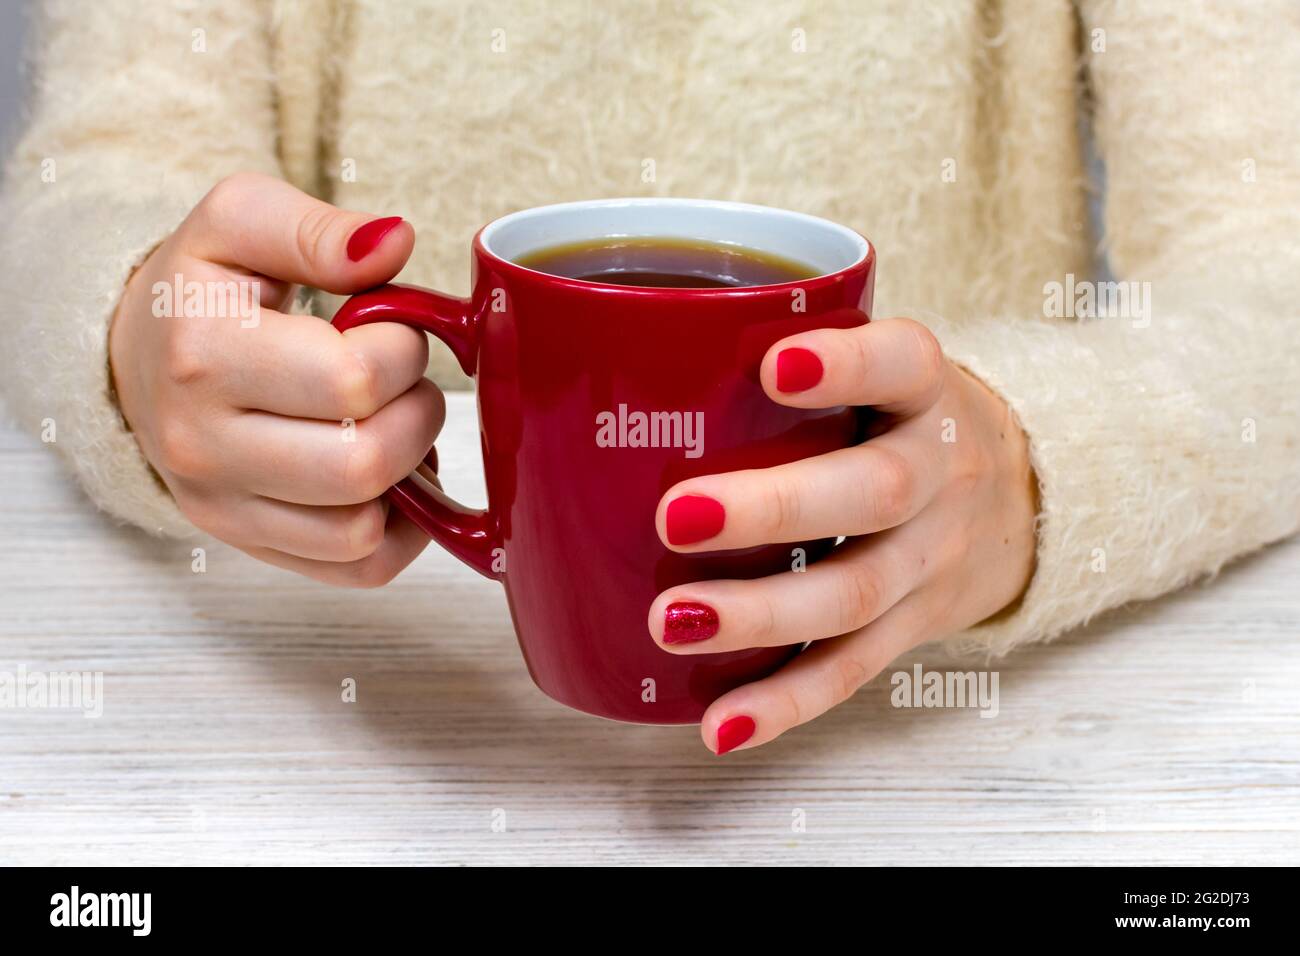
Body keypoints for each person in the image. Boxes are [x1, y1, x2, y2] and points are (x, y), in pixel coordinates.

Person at [1, 1, 1295, 754]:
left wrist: (1026, 465)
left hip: (950, 763)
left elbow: (1275, 270)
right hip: (359, 749)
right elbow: (97, 170)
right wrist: (136, 324)